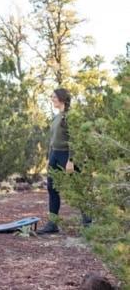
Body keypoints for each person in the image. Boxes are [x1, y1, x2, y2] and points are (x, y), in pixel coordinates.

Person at [37, 88, 91, 235]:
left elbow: (75, 139)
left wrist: (71, 160)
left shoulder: (70, 116)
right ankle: (52, 224)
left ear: (62, 98)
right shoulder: (56, 117)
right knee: (52, 188)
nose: (52, 99)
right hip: (55, 155)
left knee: (77, 189)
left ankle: (88, 225)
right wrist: (49, 158)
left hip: (67, 156)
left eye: (54, 97)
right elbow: (52, 141)